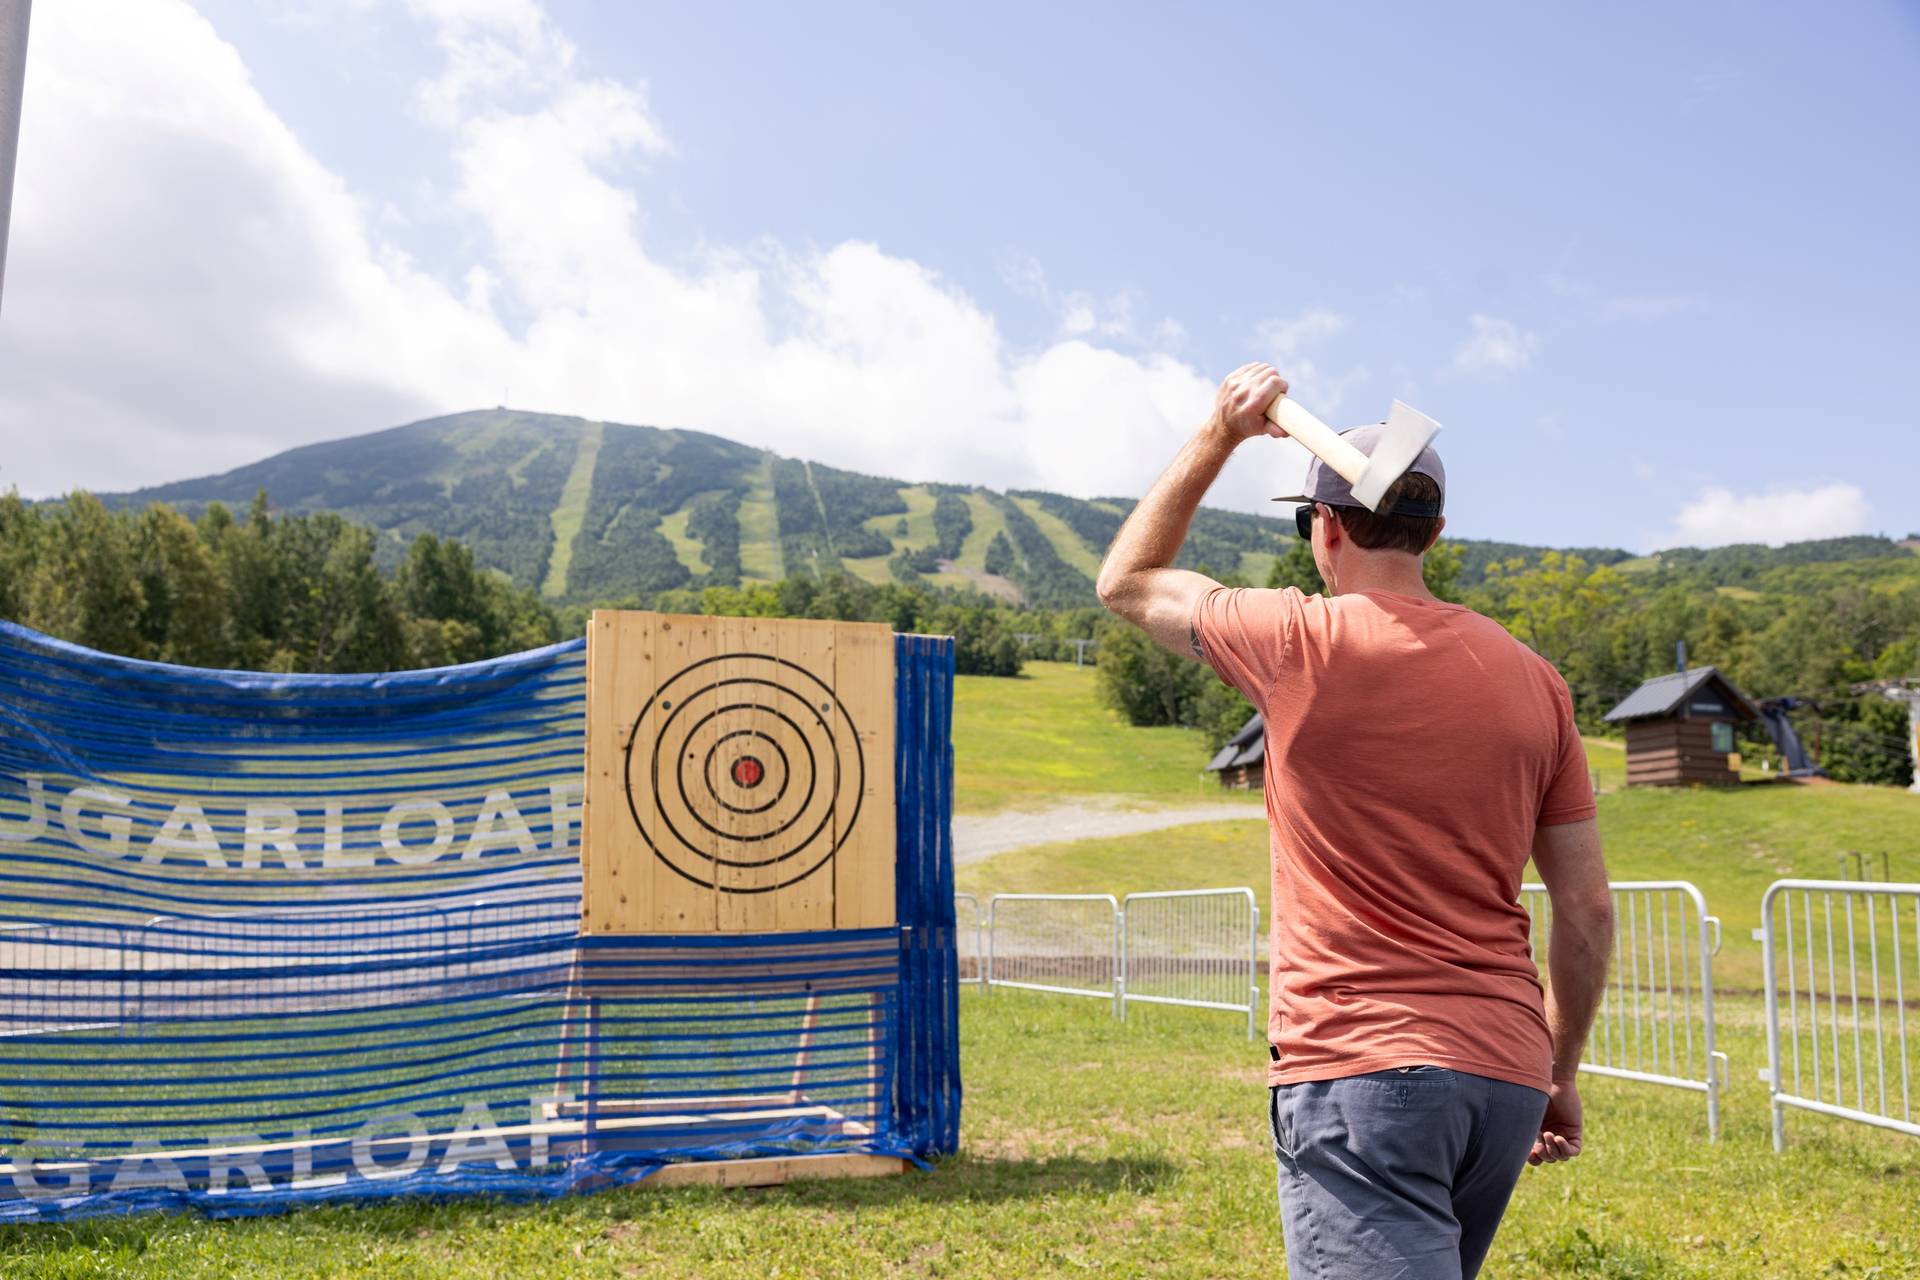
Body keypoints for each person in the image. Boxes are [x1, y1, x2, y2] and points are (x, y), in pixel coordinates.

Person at [1096, 363, 1615, 1280]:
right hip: (1501, 1077)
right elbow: (1586, 908)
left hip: (1362, 1070)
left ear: (1324, 528)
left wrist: (1221, 432)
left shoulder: (1297, 641)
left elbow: (1128, 579)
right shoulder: (1538, 683)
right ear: (1435, 533)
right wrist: (1558, 1073)